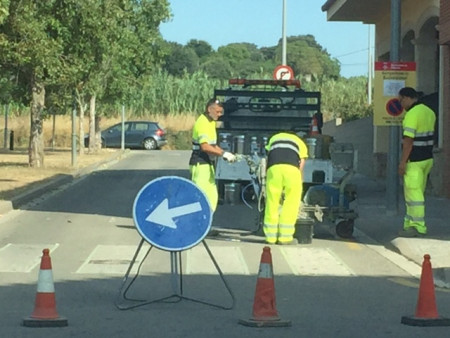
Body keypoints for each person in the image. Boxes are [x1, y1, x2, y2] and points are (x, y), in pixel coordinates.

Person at [397, 87, 436, 237]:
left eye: (401, 100)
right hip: (427, 158)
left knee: (414, 196)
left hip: (414, 160)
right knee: (416, 193)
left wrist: (402, 162)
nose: (401, 104)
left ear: (407, 98)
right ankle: (409, 224)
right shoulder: (429, 112)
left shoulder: (412, 114)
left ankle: (417, 226)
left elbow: (409, 141)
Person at [189, 98, 236, 211]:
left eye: (221, 112)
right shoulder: (203, 123)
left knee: (212, 196)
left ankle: (206, 220)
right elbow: (204, 146)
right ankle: (197, 223)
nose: (220, 115)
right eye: (217, 111)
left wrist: (226, 153)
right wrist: (223, 153)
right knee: (201, 195)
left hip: (207, 163)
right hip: (199, 163)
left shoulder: (211, 122)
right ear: (209, 109)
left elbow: (213, 145)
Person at [263, 131, 308, 245]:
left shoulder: (273, 138)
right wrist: (300, 177)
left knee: (272, 202)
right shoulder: (300, 142)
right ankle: (285, 237)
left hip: (273, 169)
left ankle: (270, 237)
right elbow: (301, 162)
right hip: (291, 170)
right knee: (291, 202)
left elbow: (268, 157)